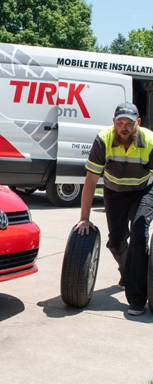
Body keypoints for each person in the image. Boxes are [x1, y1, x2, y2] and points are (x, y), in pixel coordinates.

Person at [76, 102, 153, 316]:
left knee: (139, 234)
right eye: (120, 123)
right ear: (113, 123)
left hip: (142, 191)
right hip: (114, 192)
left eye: (129, 123)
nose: (124, 128)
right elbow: (91, 180)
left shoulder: (149, 141)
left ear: (138, 123)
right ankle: (127, 271)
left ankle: (137, 298)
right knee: (116, 240)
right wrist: (84, 218)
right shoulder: (104, 140)